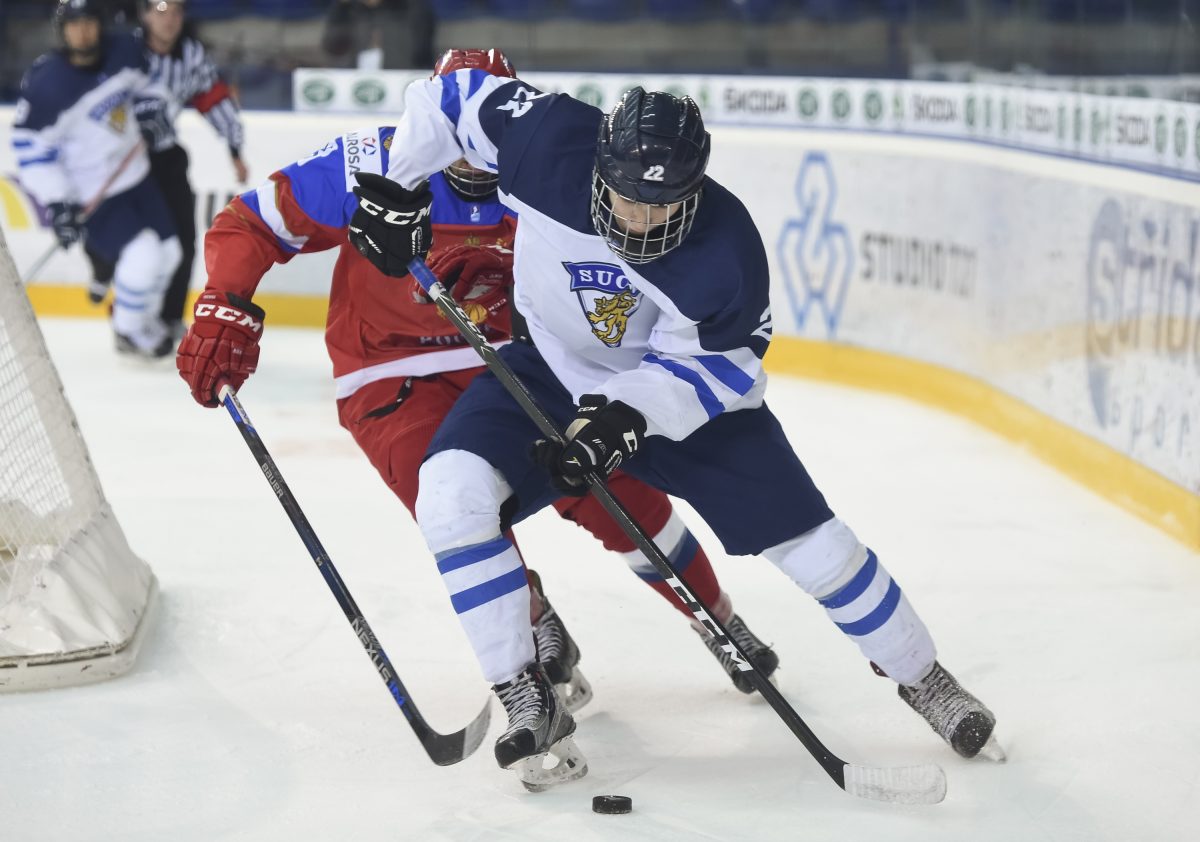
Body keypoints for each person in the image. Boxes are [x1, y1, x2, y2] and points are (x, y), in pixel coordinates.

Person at [345, 69, 1001, 790]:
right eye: (627, 196)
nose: (640, 220)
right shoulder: (546, 141)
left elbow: (720, 366)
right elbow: (450, 96)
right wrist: (396, 186)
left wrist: (626, 417)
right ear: (600, 163)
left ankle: (925, 678)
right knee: (448, 495)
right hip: (548, 371)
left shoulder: (726, 250)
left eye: (664, 205)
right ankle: (521, 689)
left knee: (818, 548)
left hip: (679, 402)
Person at [175, 49, 780, 727]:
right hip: (390, 371)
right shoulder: (372, 160)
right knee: (454, 502)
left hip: (513, 362)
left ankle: (717, 617)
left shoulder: (548, 175)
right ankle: (530, 631)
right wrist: (225, 302)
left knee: (615, 492)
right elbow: (251, 222)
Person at [11, 0, 180, 358]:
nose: (82, 31)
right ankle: (129, 333)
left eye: (88, 22)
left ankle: (144, 319)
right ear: (62, 30)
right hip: (94, 193)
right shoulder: (47, 86)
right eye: (74, 25)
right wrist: (58, 202)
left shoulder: (124, 50)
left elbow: (149, 85)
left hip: (136, 175)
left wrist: (151, 110)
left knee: (170, 253)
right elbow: (30, 149)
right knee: (144, 255)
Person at [87, 0, 248, 340]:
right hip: (118, 160)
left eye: (176, 11)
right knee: (121, 236)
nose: (169, 19)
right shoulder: (123, 51)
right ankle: (107, 278)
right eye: (161, 10)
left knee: (182, 243)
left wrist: (234, 148)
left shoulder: (190, 56)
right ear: (144, 14)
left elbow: (214, 98)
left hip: (162, 159)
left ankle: (167, 318)